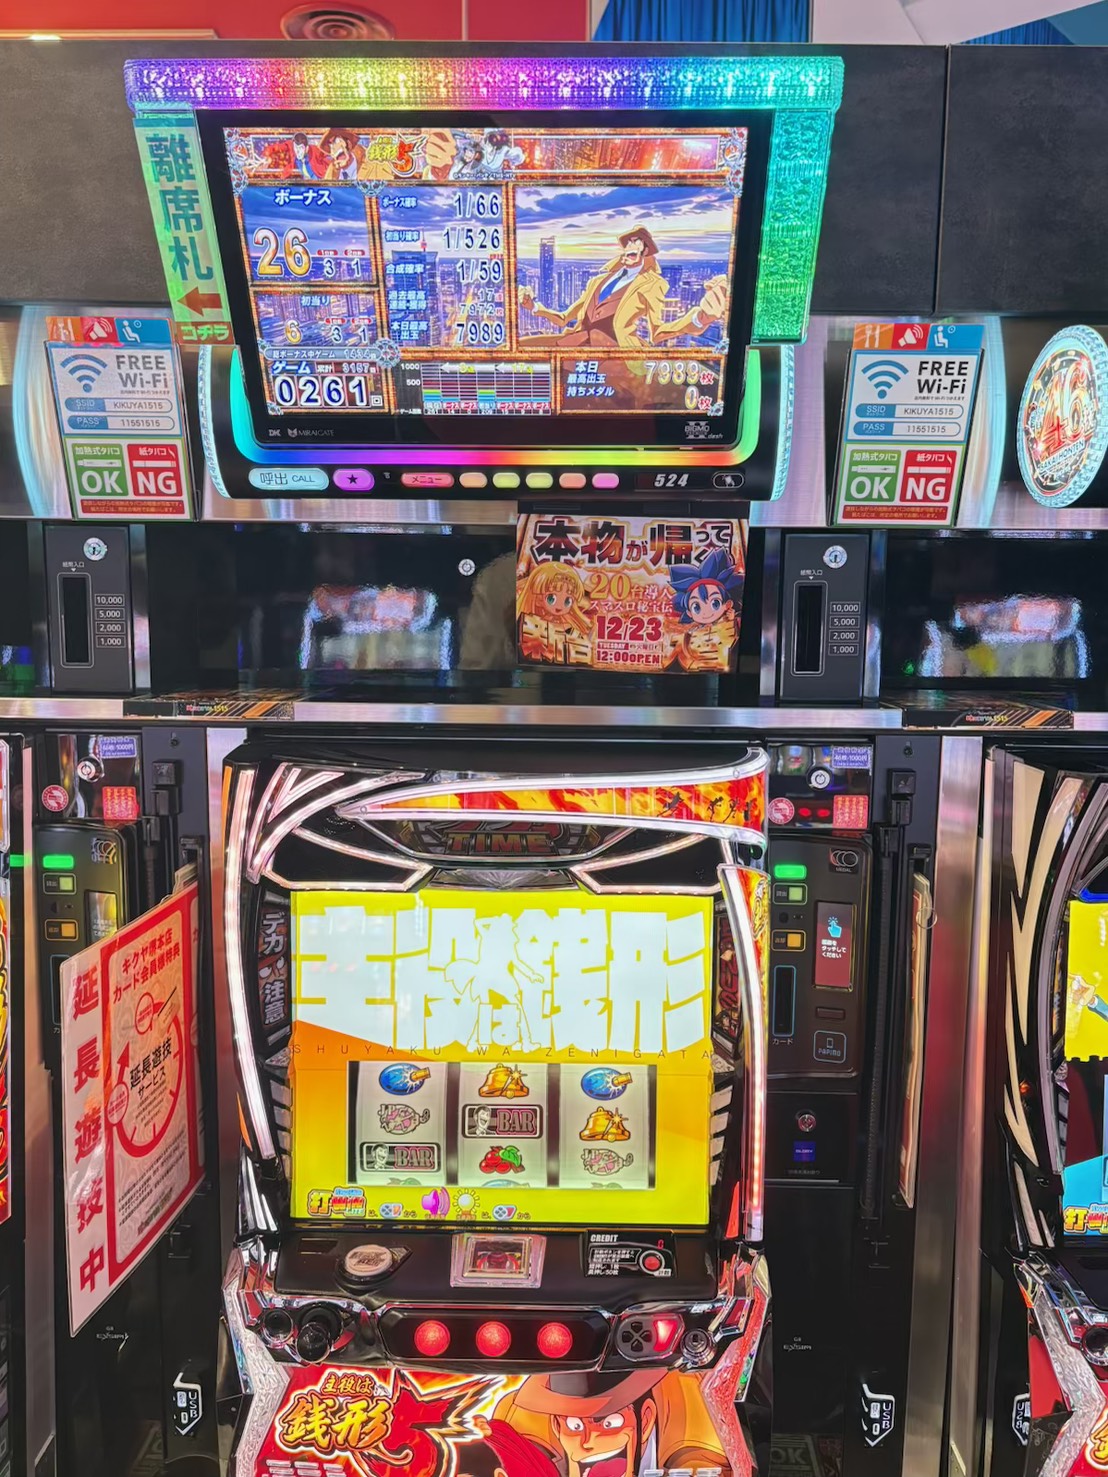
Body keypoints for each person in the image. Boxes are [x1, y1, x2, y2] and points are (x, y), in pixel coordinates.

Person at [475, 1369, 730, 1477]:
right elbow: (521, 1456)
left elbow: (702, 1460)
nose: (589, 1441)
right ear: (556, 1427)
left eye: (609, 1424)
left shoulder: (686, 1401)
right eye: (575, 1426)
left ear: (645, 1420)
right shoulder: (528, 1419)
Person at [518, 226, 728, 351]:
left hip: (617, 354)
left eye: (636, 246)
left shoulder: (651, 285)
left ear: (645, 254)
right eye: (628, 245)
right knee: (518, 348)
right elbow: (564, 318)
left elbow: (658, 332)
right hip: (577, 343)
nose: (629, 250)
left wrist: (700, 318)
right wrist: (534, 307)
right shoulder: (597, 282)